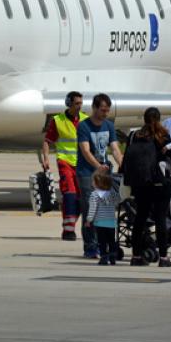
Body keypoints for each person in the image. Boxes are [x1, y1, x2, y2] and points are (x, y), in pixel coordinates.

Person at [124, 107, 171, 267]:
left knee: (140, 218)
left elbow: (127, 156)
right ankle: (163, 257)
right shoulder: (162, 135)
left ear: (144, 119)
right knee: (161, 219)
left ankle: (136, 256)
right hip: (159, 183)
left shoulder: (134, 135)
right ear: (159, 119)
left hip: (140, 183)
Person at [76, 93, 124, 259]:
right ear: (94, 108)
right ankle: (90, 246)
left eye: (107, 110)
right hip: (87, 173)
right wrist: (98, 167)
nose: (105, 114)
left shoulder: (109, 126)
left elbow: (115, 149)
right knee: (90, 209)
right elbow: (85, 151)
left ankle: (103, 244)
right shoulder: (84, 126)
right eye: (102, 110)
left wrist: (123, 164)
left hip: (104, 174)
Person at [41, 91, 84, 241]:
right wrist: (46, 158)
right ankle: (68, 230)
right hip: (65, 162)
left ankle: (69, 224)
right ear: (69, 104)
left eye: (81, 103)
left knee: (81, 198)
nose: (79, 106)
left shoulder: (85, 120)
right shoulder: (58, 120)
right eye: (76, 103)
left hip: (82, 164)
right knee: (70, 194)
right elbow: (48, 140)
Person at [85, 170, 120, 265]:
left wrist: (89, 220)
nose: (92, 183)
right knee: (111, 240)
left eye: (93, 181)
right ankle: (113, 256)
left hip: (100, 222)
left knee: (102, 241)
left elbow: (92, 209)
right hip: (111, 222)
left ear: (98, 183)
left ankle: (104, 257)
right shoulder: (112, 193)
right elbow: (118, 200)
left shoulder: (94, 195)